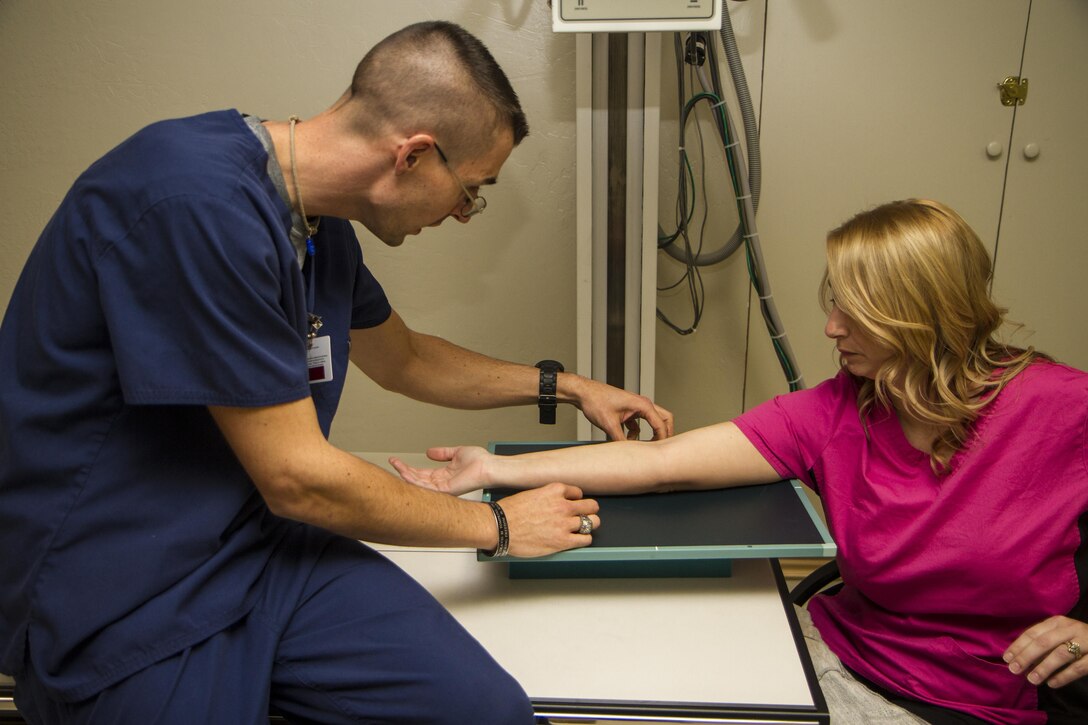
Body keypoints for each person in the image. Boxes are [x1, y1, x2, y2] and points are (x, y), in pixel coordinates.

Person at [0, 20, 674, 725]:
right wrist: (496, 524)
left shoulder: (321, 229)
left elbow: (404, 358)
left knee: (489, 711)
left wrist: (566, 385)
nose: (465, 215)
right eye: (471, 191)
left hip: (256, 550)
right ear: (413, 154)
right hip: (123, 591)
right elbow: (298, 477)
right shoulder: (191, 203)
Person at [394, 199, 1088, 725]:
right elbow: (662, 463)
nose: (830, 327)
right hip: (831, 653)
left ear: (920, 314)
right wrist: (492, 470)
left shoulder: (1062, 407)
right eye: (833, 303)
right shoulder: (838, 409)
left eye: (856, 310)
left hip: (957, 703)